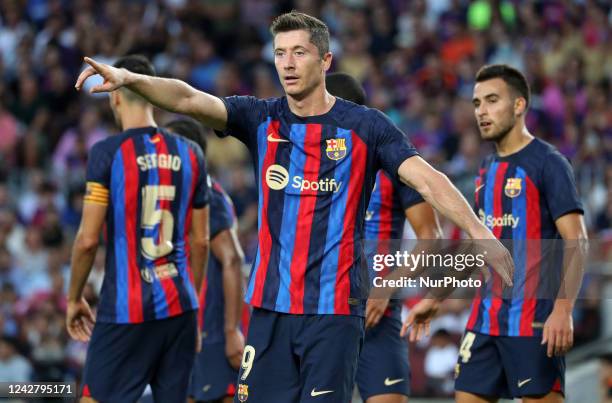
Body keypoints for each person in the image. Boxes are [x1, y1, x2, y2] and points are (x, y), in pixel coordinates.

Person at [74, 12, 513, 403]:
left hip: (333, 314)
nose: (286, 63)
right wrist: (133, 81)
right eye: (280, 53)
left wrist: (480, 234)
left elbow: (429, 181)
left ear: (325, 61)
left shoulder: (366, 127)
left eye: (298, 52)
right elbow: (189, 99)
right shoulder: (259, 117)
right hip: (268, 311)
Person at [404, 64, 588, 403]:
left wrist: (562, 311)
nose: (481, 112)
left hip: (533, 322)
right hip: (485, 321)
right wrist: (434, 299)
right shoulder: (487, 170)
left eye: (491, 100)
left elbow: (577, 240)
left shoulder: (548, 162)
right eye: (476, 104)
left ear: (519, 106)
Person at [66, 55, 211, 403]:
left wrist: (73, 298)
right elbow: (201, 241)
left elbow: (87, 241)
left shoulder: (107, 153)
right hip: (181, 306)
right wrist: (191, 301)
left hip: (126, 309)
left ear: (115, 95)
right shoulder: (192, 153)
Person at [326, 72, 442, 403]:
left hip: (380, 313)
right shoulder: (309, 167)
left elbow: (430, 236)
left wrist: (387, 285)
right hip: (323, 312)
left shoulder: (395, 166)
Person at [166, 118, 247, 403]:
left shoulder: (209, 197)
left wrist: (231, 330)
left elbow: (233, 259)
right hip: (188, 332)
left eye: (168, 149)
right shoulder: (182, 198)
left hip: (212, 332)